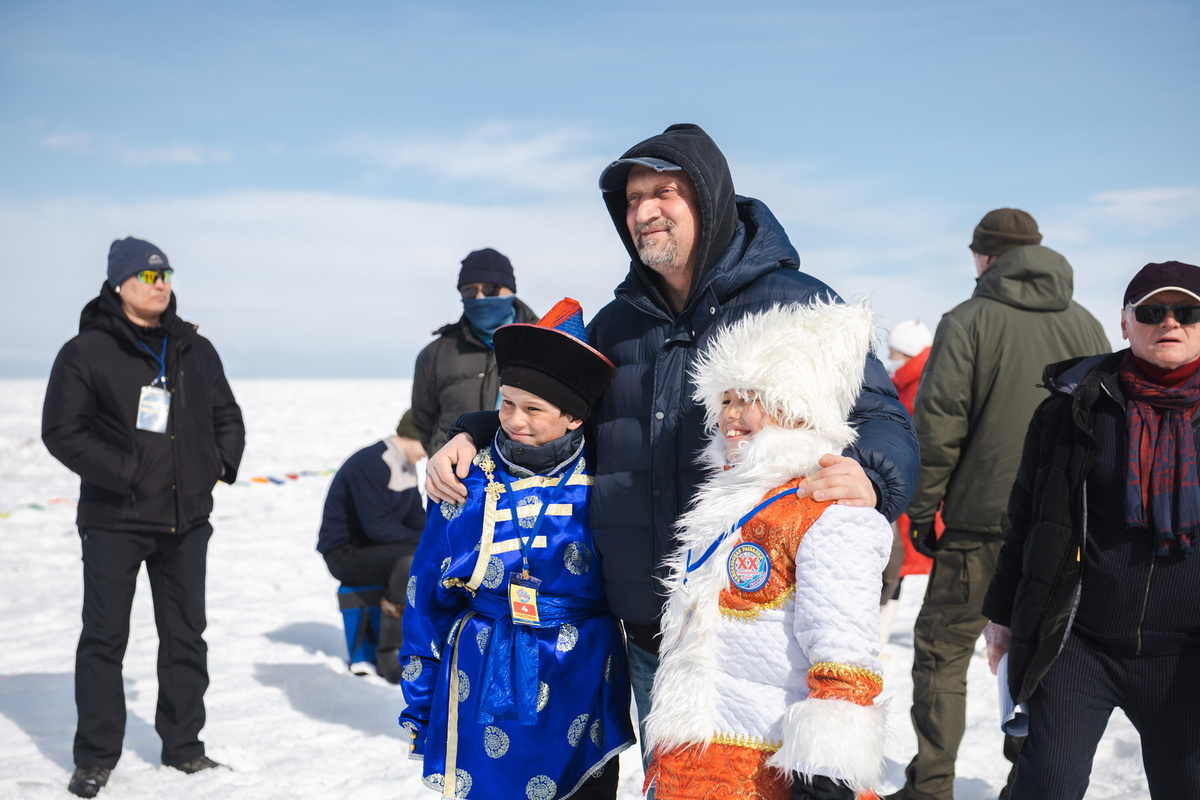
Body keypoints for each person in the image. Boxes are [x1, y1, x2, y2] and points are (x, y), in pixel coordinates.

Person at [426, 124, 920, 768]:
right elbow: (555, 409)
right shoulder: (618, 323)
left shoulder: (795, 306)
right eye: (632, 200)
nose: (643, 212)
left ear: (709, 201)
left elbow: (885, 419)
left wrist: (872, 475)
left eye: (664, 193)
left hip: (758, 634)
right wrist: (475, 431)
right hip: (647, 630)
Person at [887, 210, 1110, 800]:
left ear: (986, 257)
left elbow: (937, 426)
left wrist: (919, 510)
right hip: (1066, 530)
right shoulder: (1087, 325)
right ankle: (1027, 781)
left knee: (942, 653)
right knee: (1043, 659)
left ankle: (930, 786)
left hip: (978, 525)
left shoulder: (966, 321)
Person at [643, 300, 892, 800]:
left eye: (749, 398)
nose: (730, 415)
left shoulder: (827, 506)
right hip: (698, 757)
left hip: (768, 766)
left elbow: (842, 643)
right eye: (726, 399)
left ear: (796, 406)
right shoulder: (730, 498)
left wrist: (826, 772)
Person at [400, 298, 635, 800]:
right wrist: (420, 701)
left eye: (533, 408)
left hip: (582, 676)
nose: (514, 420)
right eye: (506, 403)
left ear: (574, 417)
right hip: (481, 676)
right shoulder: (466, 479)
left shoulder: (607, 476)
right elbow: (426, 598)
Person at [981, 261, 1200, 800]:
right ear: (1124, 324)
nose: (1169, 322)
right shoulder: (1072, 409)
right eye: (1151, 311)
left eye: (1188, 312)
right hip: (1080, 642)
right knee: (1046, 786)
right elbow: (1030, 520)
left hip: (1186, 659)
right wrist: (1005, 615)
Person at [42, 237, 245, 798]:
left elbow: (226, 414)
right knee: (105, 639)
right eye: (148, 277)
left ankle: (184, 748)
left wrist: (219, 464)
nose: (161, 285)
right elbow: (62, 431)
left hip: (186, 517)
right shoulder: (85, 352)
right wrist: (126, 471)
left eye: (166, 275)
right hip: (115, 517)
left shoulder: (194, 350)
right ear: (119, 285)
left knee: (186, 637)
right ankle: (96, 757)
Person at [316, 409, 427, 682]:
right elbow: (376, 528)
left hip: (376, 549)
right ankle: (389, 655)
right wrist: (422, 544)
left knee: (423, 556)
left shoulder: (406, 465)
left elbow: (416, 519)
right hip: (345, 553)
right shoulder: (373, 462)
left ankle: (419, 647)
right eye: (428, 444)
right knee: (409, 562)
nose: (428, 454)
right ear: (414, 437)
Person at [410, 247, 538, 455]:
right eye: (469, 291)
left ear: (510, 290)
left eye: (490, 290)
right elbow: (423, 422)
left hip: (527, 481)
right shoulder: (435, 354)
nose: (479, 297)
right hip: (456, 481)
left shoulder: (544, 342)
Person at [880, 320, 936, 654]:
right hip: (907, 488)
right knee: (894, 566)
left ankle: (880, 637)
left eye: (894, 354)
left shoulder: (919, 387)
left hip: (911, 491)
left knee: (894, 565)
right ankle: (881, 636)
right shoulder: (907, 383)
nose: (891, 360)